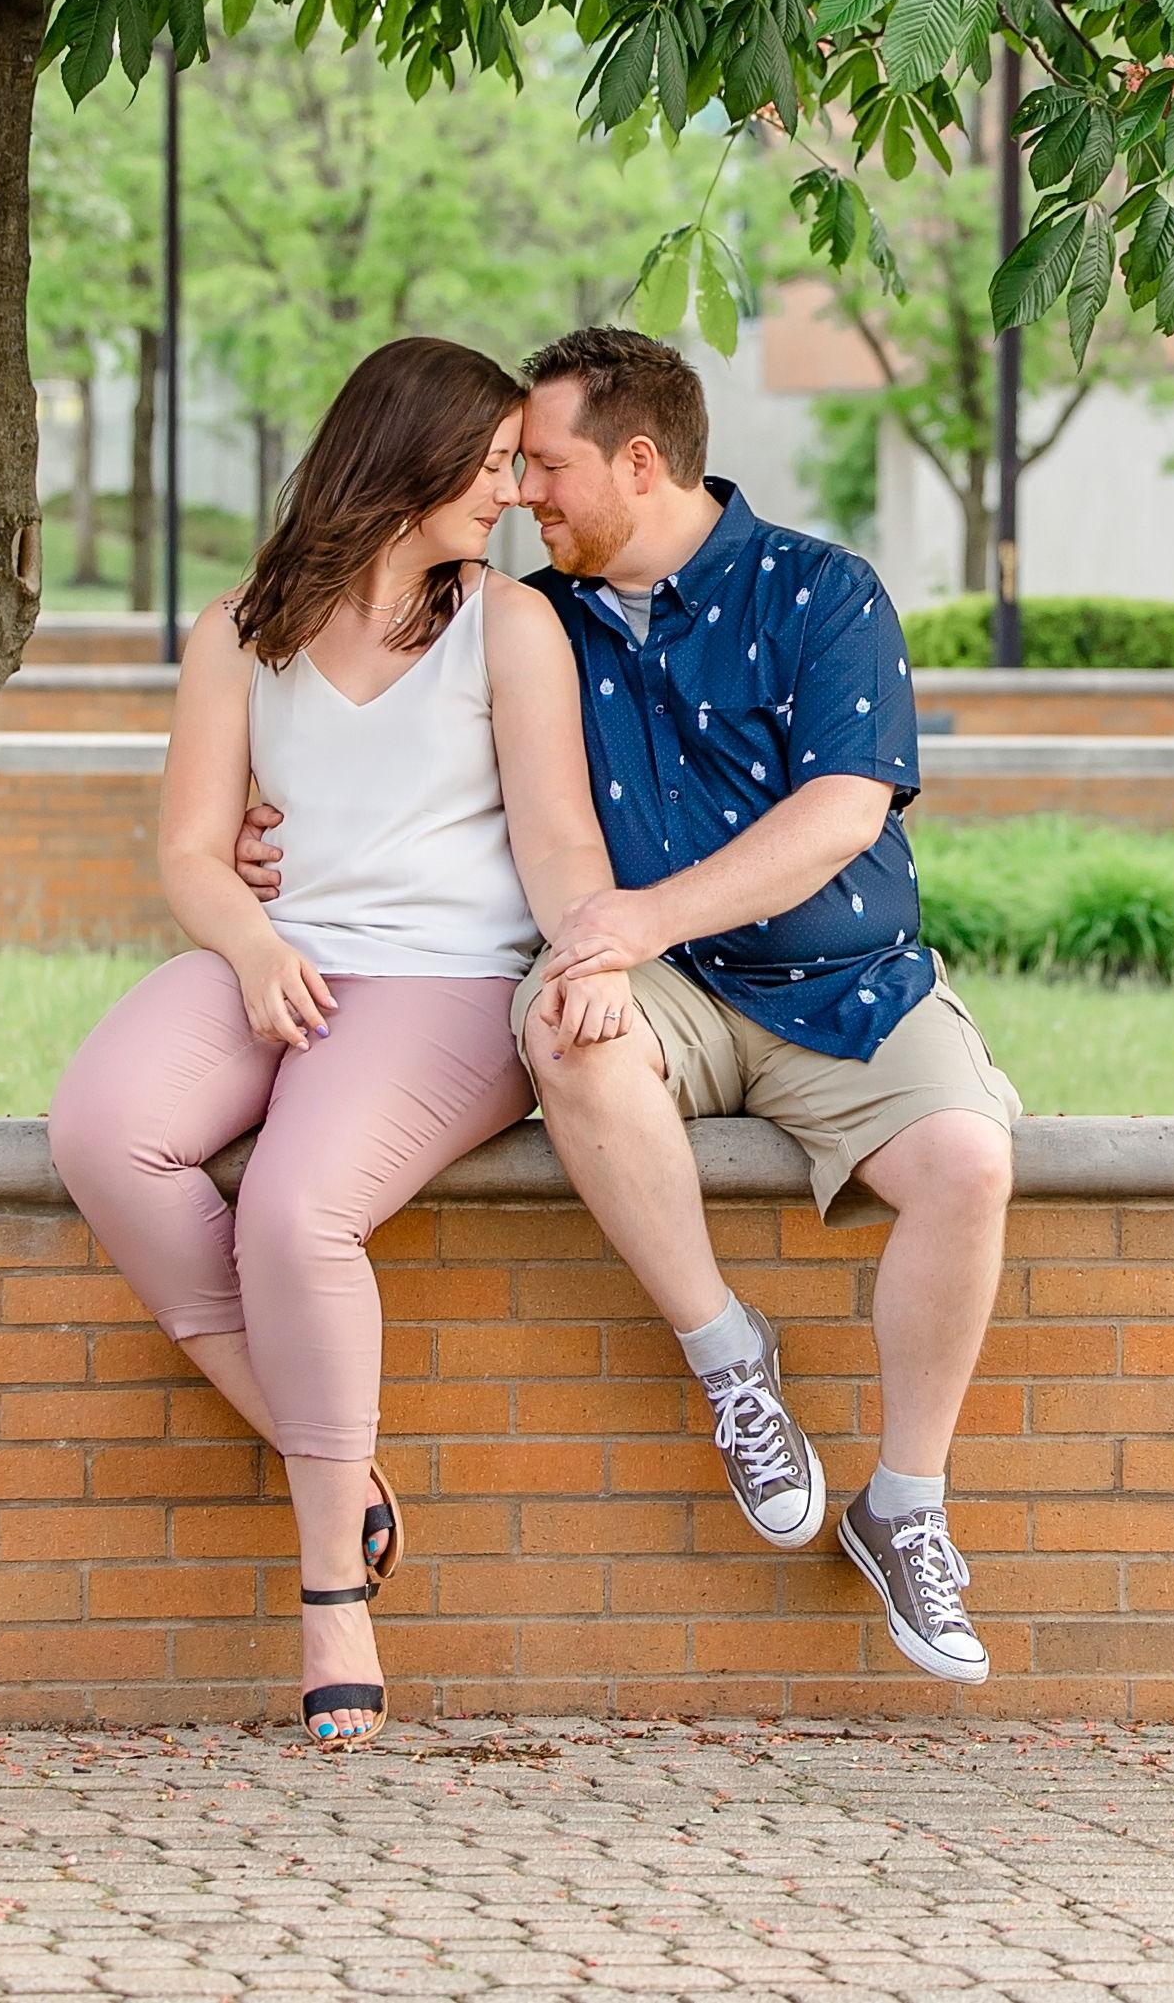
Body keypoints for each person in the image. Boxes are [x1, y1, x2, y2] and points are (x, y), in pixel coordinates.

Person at [250, 324, 1023, 1682]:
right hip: (656, 989)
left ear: (641, 461)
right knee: (568, 1027)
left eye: (545, 466)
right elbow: (385, 745)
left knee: (967, 1161)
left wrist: (638, 919)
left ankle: (904, 1505)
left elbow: (843, 813)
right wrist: (269, 836)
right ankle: (729, 1357)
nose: (521, 495)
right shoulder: (531, 616)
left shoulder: (821, 591)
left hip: (844, 981)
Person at [46, 336, 632, 1754]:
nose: (508, 491)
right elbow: (192, 853)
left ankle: (330, 1595)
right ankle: (335, 1459)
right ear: (406, 457)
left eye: (515, 465)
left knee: (295, 1209)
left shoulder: (509, 626)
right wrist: (254, 950)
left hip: (448, 981)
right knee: (102, 1127)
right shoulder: (240, 629)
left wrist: (593, 948)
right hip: (287, 956)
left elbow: (559, 838)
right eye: (489, 463)